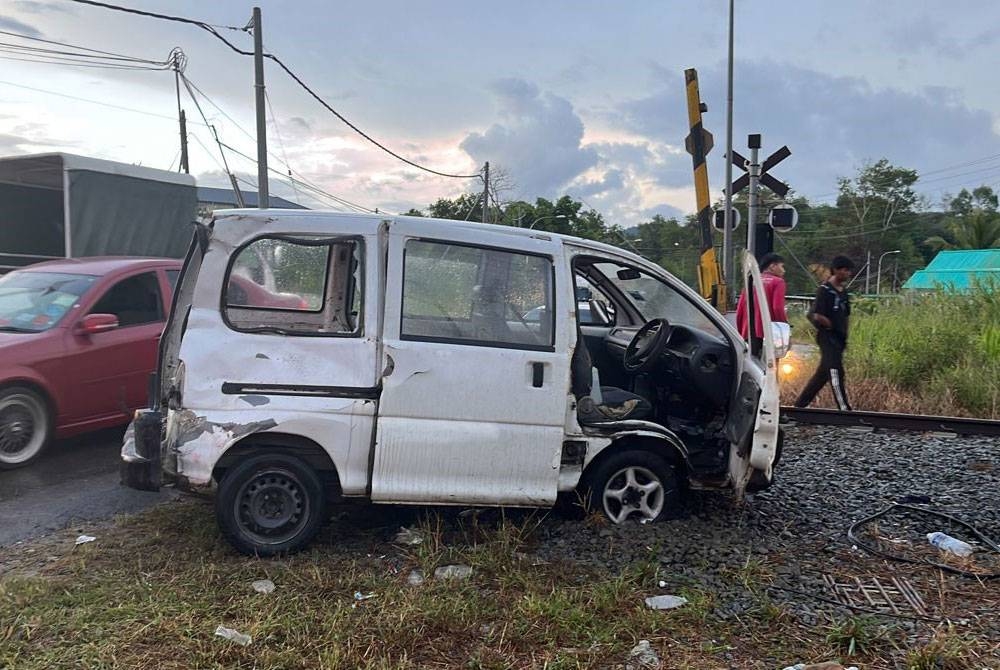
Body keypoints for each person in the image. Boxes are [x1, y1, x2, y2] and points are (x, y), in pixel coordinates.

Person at [794, 255, 855, 411]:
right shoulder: (825, 290)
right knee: (836, 371)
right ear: (836, 270)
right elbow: (814, 314)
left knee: (821, 376)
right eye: (845, 270)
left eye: (849, 271)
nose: (848, 273)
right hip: (827, 337)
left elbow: (846, 314)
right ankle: (844, 408)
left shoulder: (843, 292)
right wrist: (827, 324)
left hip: (840, 338)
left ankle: (799, 406)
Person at [736, 252, 788, 339]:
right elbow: (777, 308)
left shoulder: (751, 281)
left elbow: (740, 310)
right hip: (767, 334)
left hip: (747, 332)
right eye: (782, 266)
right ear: (772, 266)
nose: (784, 270)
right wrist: (783, 326)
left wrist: (741, 331)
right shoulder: (778, 282)